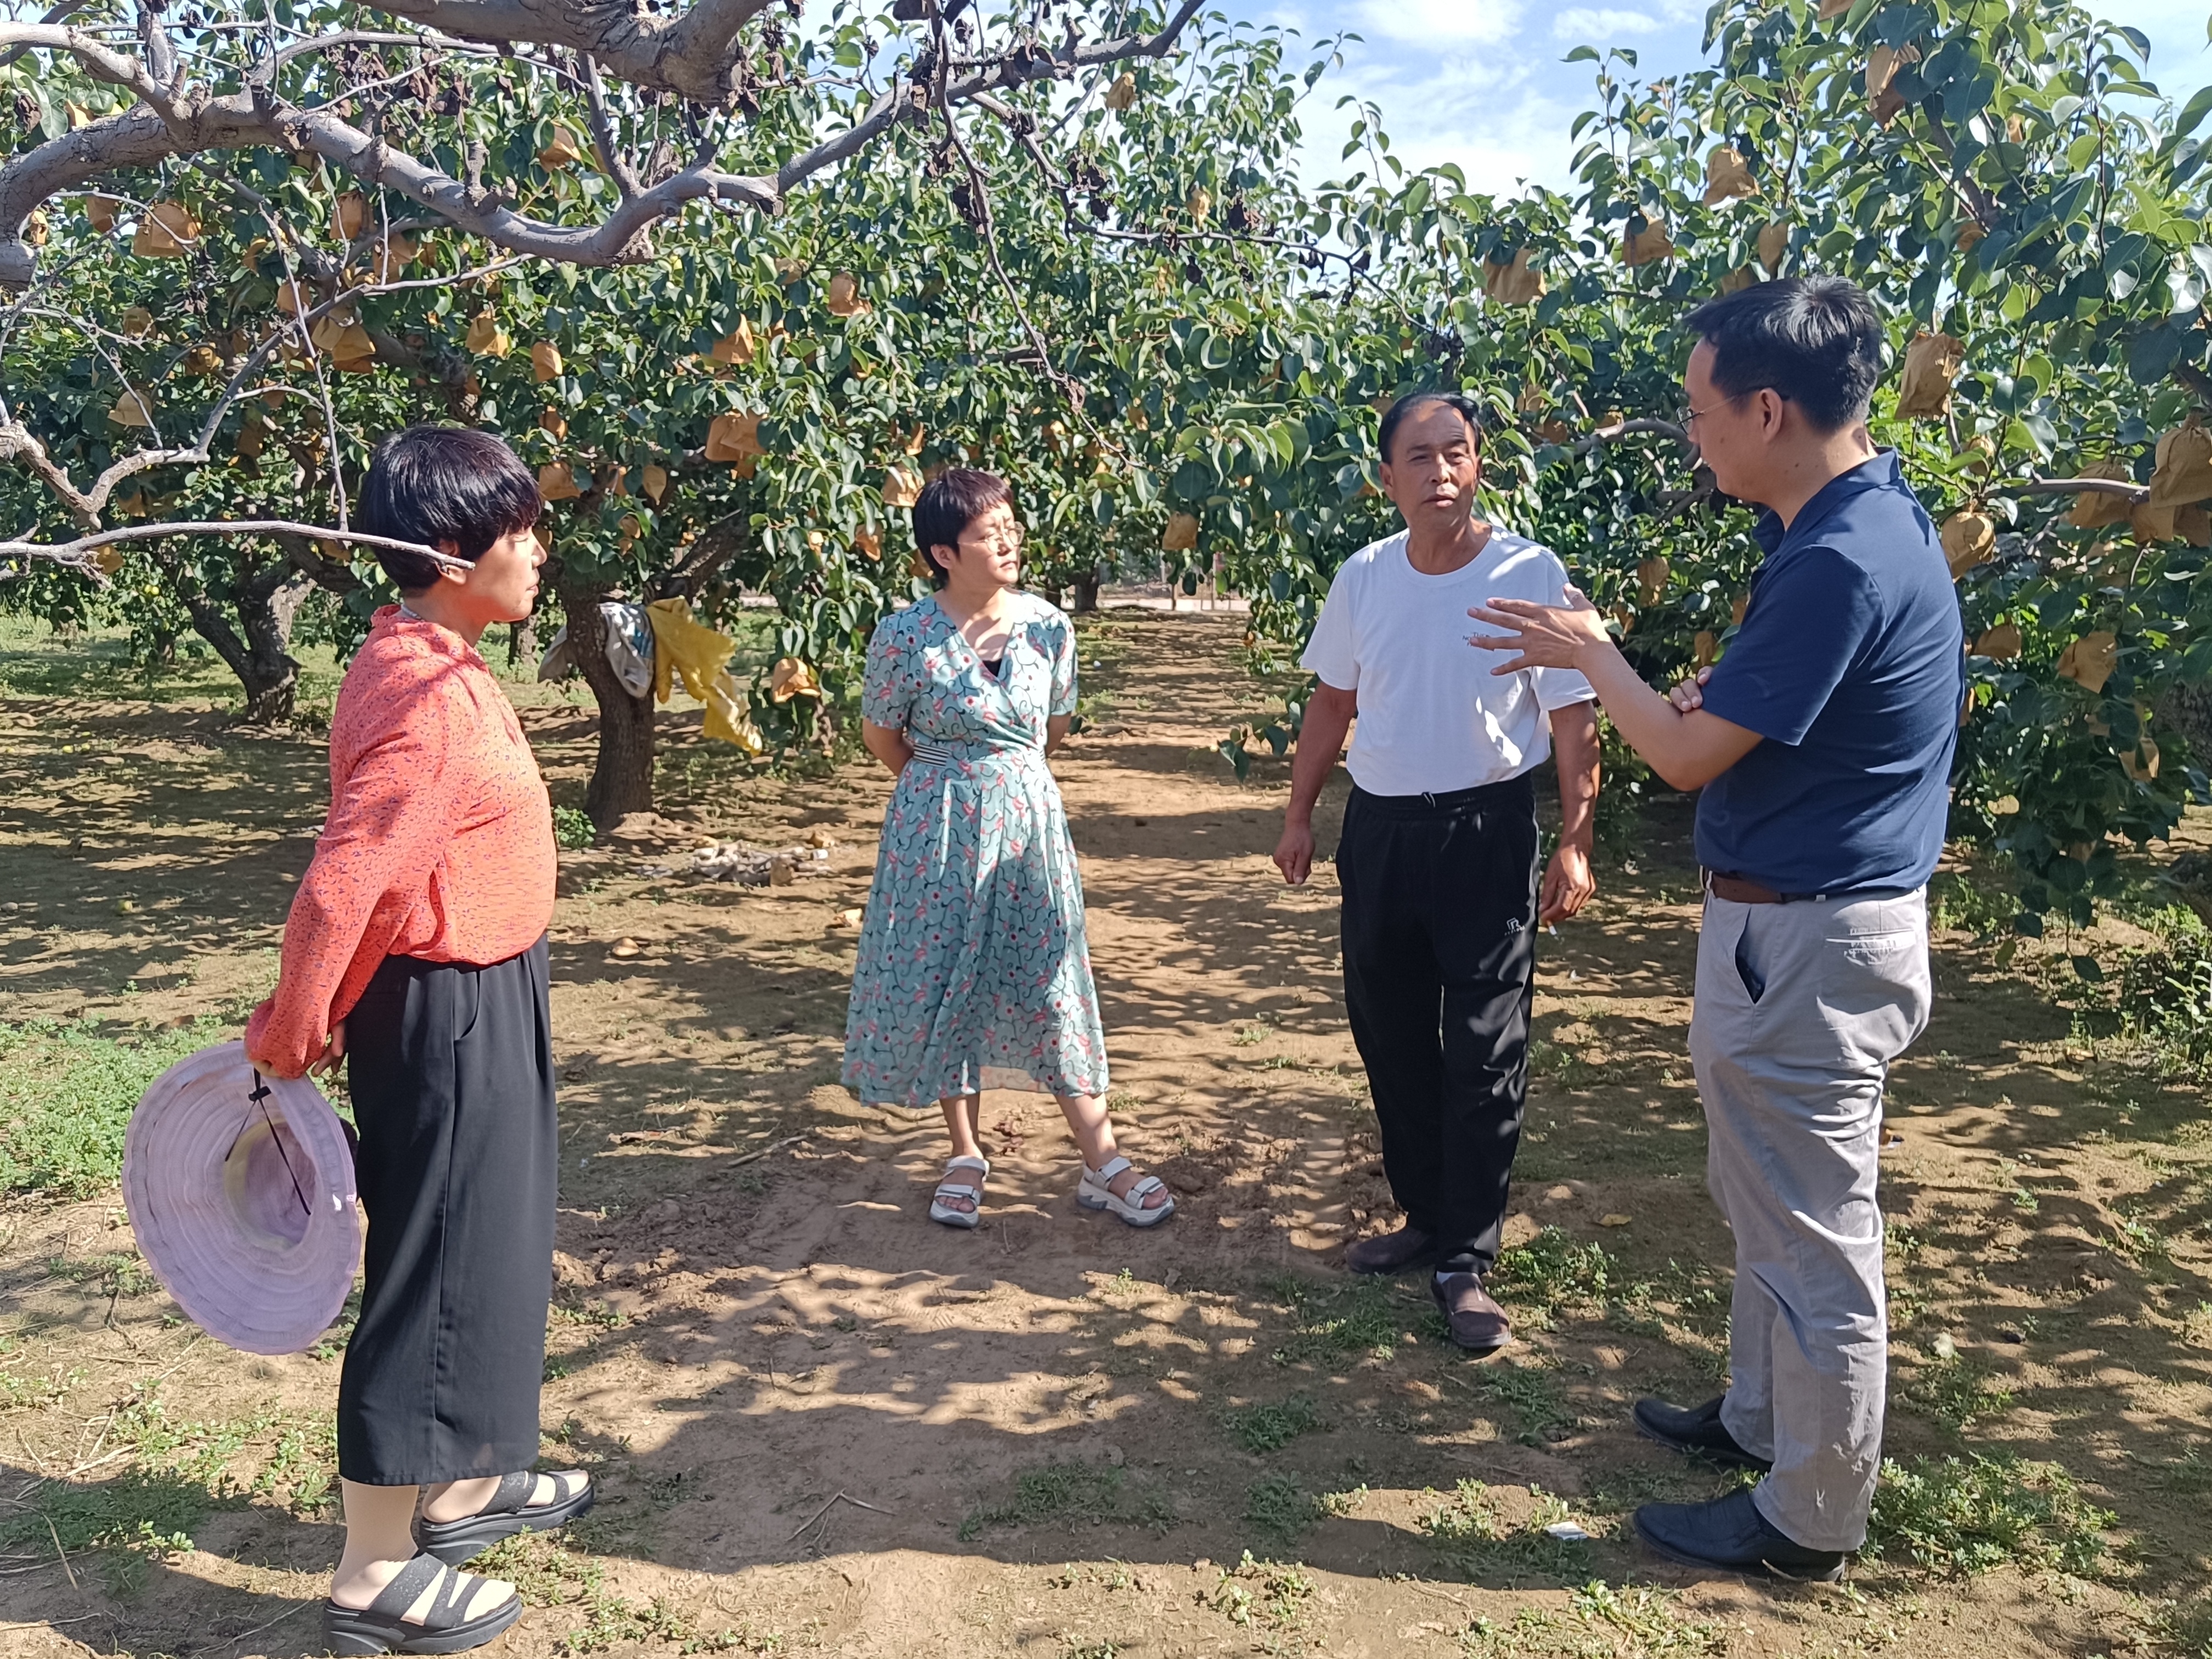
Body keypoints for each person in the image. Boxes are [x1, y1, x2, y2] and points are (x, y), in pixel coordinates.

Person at [1469, 276, 1964, 1580]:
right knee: (1770, 1207)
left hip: (1809, 945)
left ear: (1767, 409)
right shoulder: (1854, 524)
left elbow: (1685, 759)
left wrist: (1594, 654)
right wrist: (1700, 691)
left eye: (1699, 411)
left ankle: (1809, 1518)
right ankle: (1759, 1418)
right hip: (1798, 931)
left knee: (1813, 1236)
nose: (1692, 434)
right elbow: (1768, 717)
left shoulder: (1841, 558)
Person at [245, 426, 592, 1655]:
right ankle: (373, 1569)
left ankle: (464, 1482)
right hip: (446, 1012)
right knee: (432, 1273)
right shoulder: (419, 692)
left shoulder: (439, 656)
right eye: (521, 533)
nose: (540, 552)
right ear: (450, 552)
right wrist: (293, 1030)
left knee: (485, 1253)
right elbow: (349, 882)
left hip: (490, 989)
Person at [1272, 392, 1601, 1353]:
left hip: (1484, 829)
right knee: (1391, 1030)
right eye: (1419, 457)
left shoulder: (1528, 572)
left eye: (1456, 452)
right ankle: (1423, 1213)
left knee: (1486, 1044)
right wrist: (1298, 815)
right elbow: (1332, 705)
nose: (1441, 471)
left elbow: (1573, 716)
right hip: (1381, 832)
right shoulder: (1366, 577)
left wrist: (1576, 839)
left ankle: (1466, 1254)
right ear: (1388, 479)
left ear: (1479, 464)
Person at [843, 467, 1172, 1229]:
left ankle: (1103, 1161)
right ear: (943, 553)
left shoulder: (1049, 627)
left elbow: (1052, 730)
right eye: (990, 533)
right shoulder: (904, 636)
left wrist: (1001, 783)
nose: (1009, 542)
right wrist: (950, 784)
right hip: (936, 831)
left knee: (1052, 980)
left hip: (1029, 828)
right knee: (947, 978)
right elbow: (881, 737)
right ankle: (964, 1154)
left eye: (1011, 527)